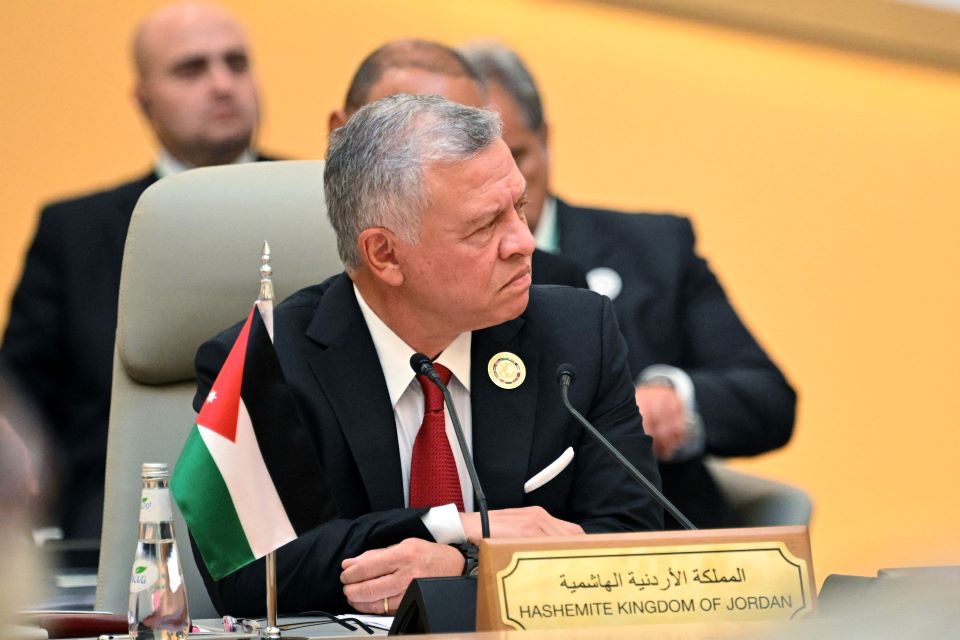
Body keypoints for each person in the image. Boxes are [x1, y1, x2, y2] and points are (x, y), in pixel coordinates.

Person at [191, 94, 663, 616]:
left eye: (519, 208)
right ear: (385, 254)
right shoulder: (266, 365)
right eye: (485, 226)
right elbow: (248, 574)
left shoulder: (577, 338)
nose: (523, 242)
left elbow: (631, 544)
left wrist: (467, 568)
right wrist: (452, 525)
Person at [459, 42, 797, 529]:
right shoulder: (414, 276)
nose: (503, 192)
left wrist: (673, 398)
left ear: (547, 139)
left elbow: (768, 399)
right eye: (473, 176)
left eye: (517, 159)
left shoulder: (655, 250)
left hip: (654, 540)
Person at [0, 1, 269, 539]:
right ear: (144, 101)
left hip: (299, 529)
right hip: (111, 532)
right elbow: (23, 410)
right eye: (191, 69)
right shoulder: (73, 233)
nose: (222, 84)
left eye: (236, 63)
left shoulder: (322, 203)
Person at [329, 38, 587, 289]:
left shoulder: (551, 286)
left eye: (470, 135)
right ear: (340, 133)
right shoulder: (305, 268)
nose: (453, 155)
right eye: (408, 136)